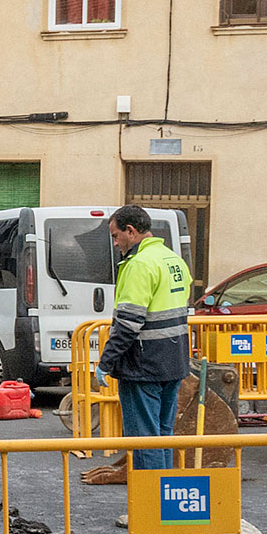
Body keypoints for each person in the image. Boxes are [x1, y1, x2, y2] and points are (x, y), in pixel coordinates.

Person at [83, 205, 191, 484]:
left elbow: (128, 323)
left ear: (130, 231)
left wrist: (106, 362)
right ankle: (164, 499)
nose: (115, 243)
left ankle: (149, 502)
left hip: (143, 365)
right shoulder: (173, 260)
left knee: (144, 438)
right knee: (163, 434)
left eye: (115, 236)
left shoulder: (138, 265)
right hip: (174, 361)